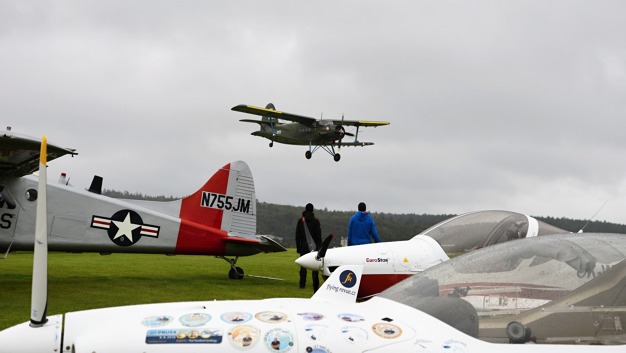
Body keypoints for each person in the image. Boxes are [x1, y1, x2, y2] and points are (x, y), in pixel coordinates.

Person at [295, 203, 322, 291]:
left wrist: (298, 247)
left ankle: (302, 284)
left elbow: (297, 236)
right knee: (314, 267)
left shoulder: (300, 221)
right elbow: (318, 236)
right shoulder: (316, 222)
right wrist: (320, 247)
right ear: (312, 210)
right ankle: (315, 284)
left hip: (303, 245)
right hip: (313, 246)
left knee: (303, 267)